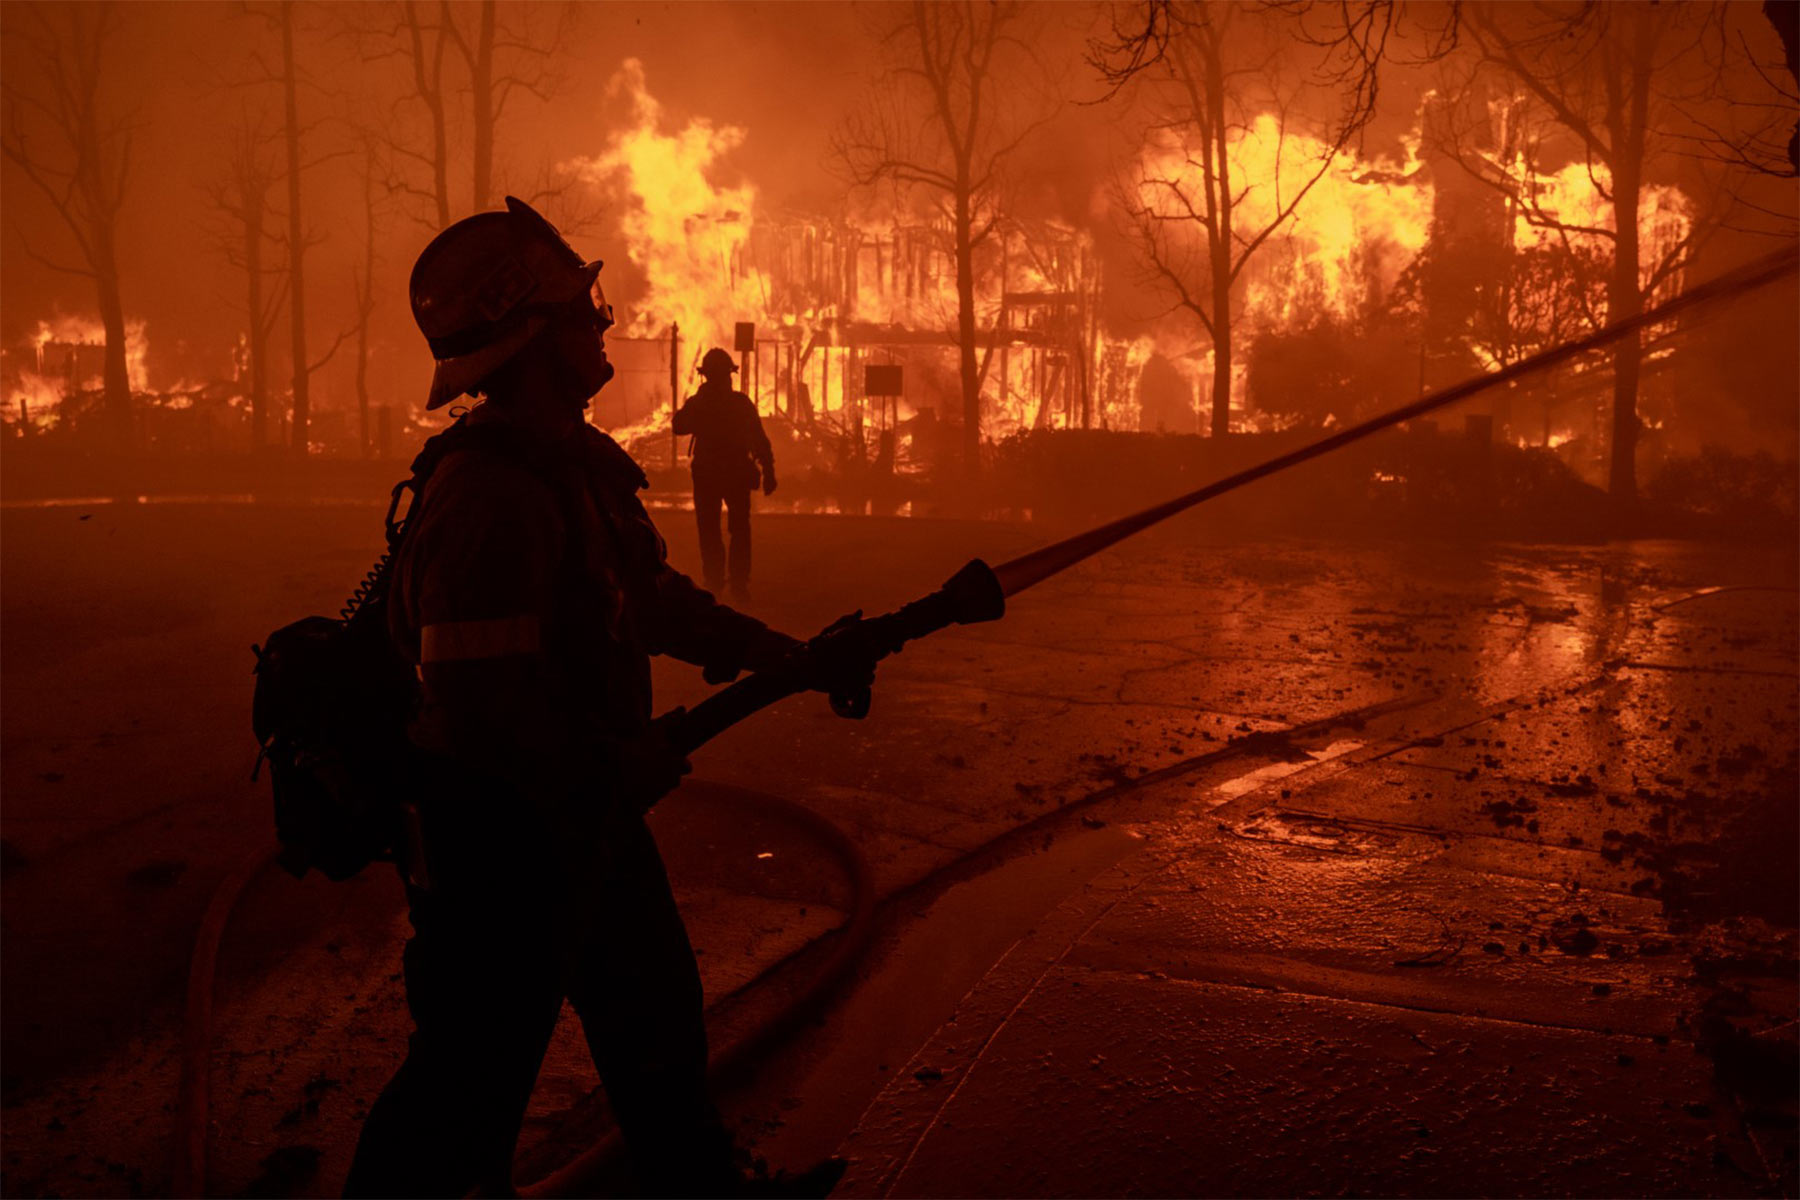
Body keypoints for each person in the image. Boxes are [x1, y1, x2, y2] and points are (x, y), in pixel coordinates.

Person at [345, 197, 854, 1199]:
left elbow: (645, 597)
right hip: (499, 843)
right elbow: (477, 706)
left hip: (583, 821)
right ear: (536, 338)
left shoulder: (566, 467)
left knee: (654, 1017)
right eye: (585, 311)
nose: (605, 325)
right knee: (466, 1082)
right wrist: (607, 765)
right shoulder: (491, 498)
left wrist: (775, 652)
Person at [673, 349, 775, 599]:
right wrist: (769, 471)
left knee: (709, 529)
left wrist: (698, 403)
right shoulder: (739, 403)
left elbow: (679, 424)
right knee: (739, 529)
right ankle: (737, 584)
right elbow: (760, 441)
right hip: (735, 472)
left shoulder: (701, 403)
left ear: (705, 375)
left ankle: (715, 581)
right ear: (728, 375)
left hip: (709, 472)